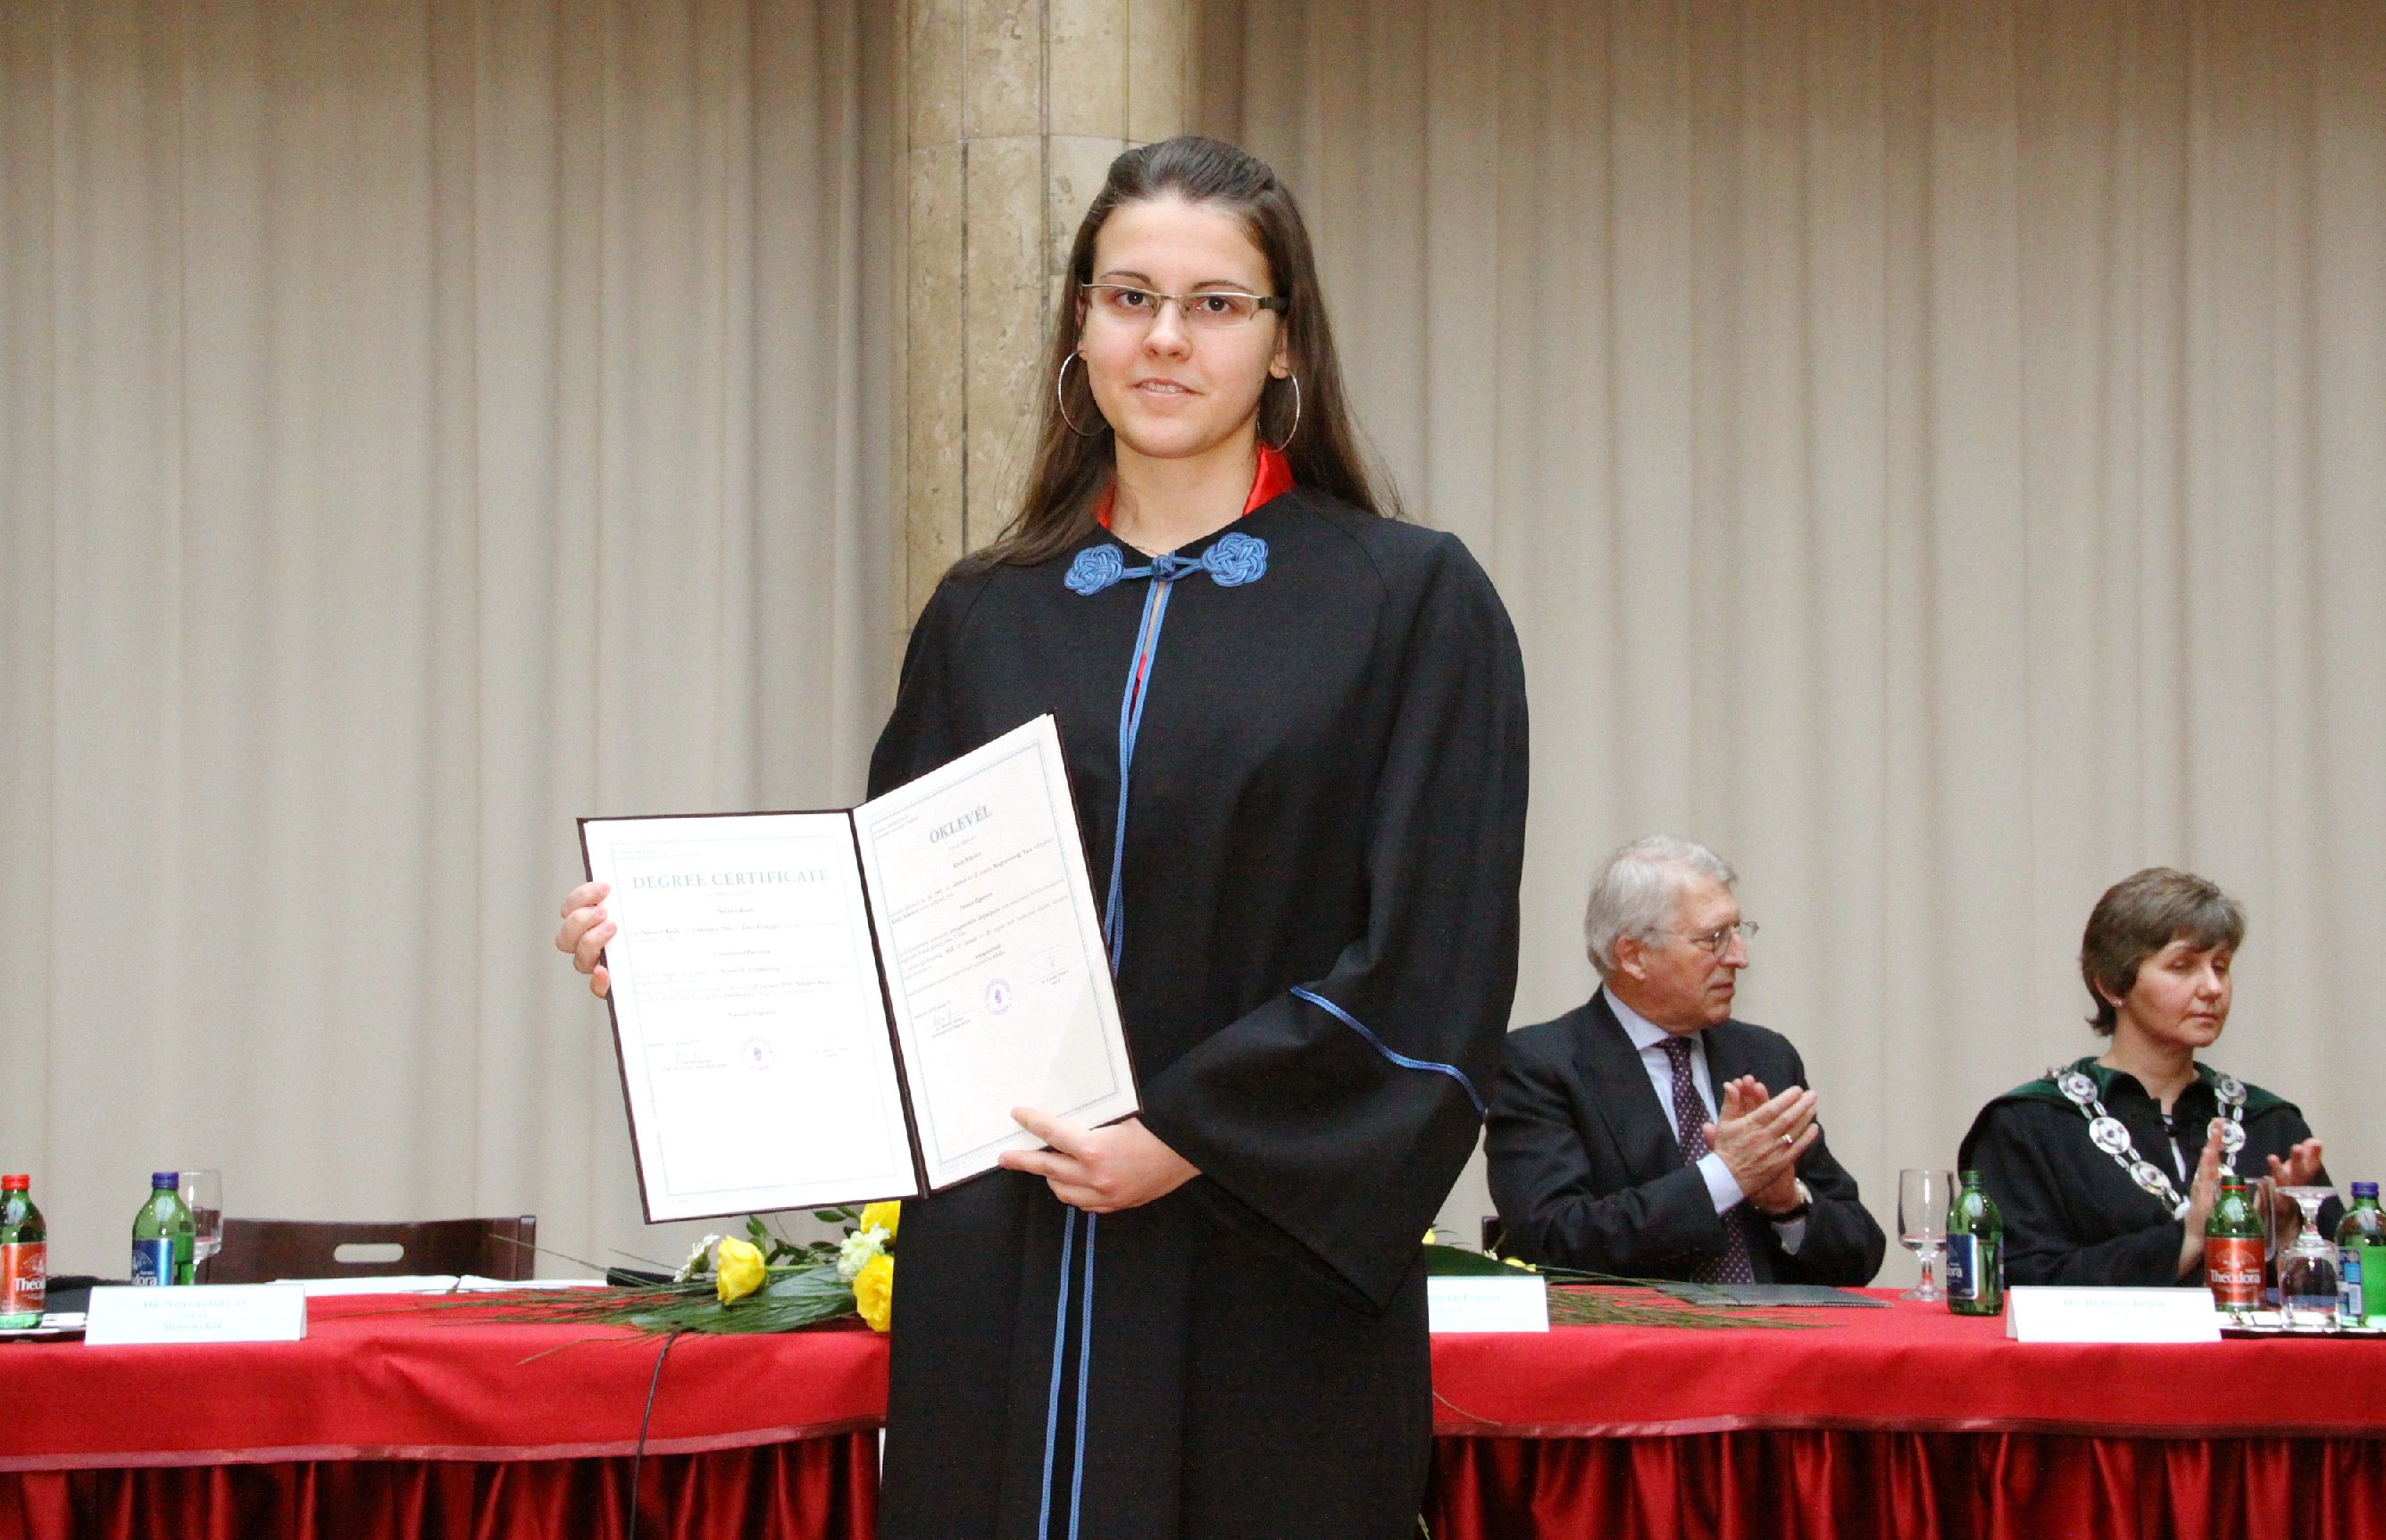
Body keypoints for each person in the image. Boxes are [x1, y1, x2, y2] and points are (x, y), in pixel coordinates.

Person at [558, 137, 1528, 1537]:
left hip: (1258, 1262)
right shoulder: (987, 613)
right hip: (1000, 1257)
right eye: (1129, 297)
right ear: (1080, 325)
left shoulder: (1407, 603)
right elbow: (896, 941)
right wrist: (674, 967)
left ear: (1284, 341)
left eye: (1215, 303)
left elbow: (1432, 961)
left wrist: (1184, 1135)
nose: (1166, 337)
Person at [1484, 837, 1884, 1286]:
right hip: (1636, 1330)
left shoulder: (1764, 1056)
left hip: (1777, 1329)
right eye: (1715, 939)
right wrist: (1724, 1177)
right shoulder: (1541, 1065)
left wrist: (1786, 1204)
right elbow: (1552, 1239)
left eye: (1739, 932)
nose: (1739, 958)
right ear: (1634, 956)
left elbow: (1861, 1254)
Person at [1960, 868, 2331, 1287]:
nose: (2212, 988)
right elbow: (2018, 1283)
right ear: (2112, 985)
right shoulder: (2031, 1125)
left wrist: (2290, 1233)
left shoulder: (2270, 1123)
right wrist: (2187, 1241)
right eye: (2182, 966)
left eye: (2221, 966)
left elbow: (2352, 1293)